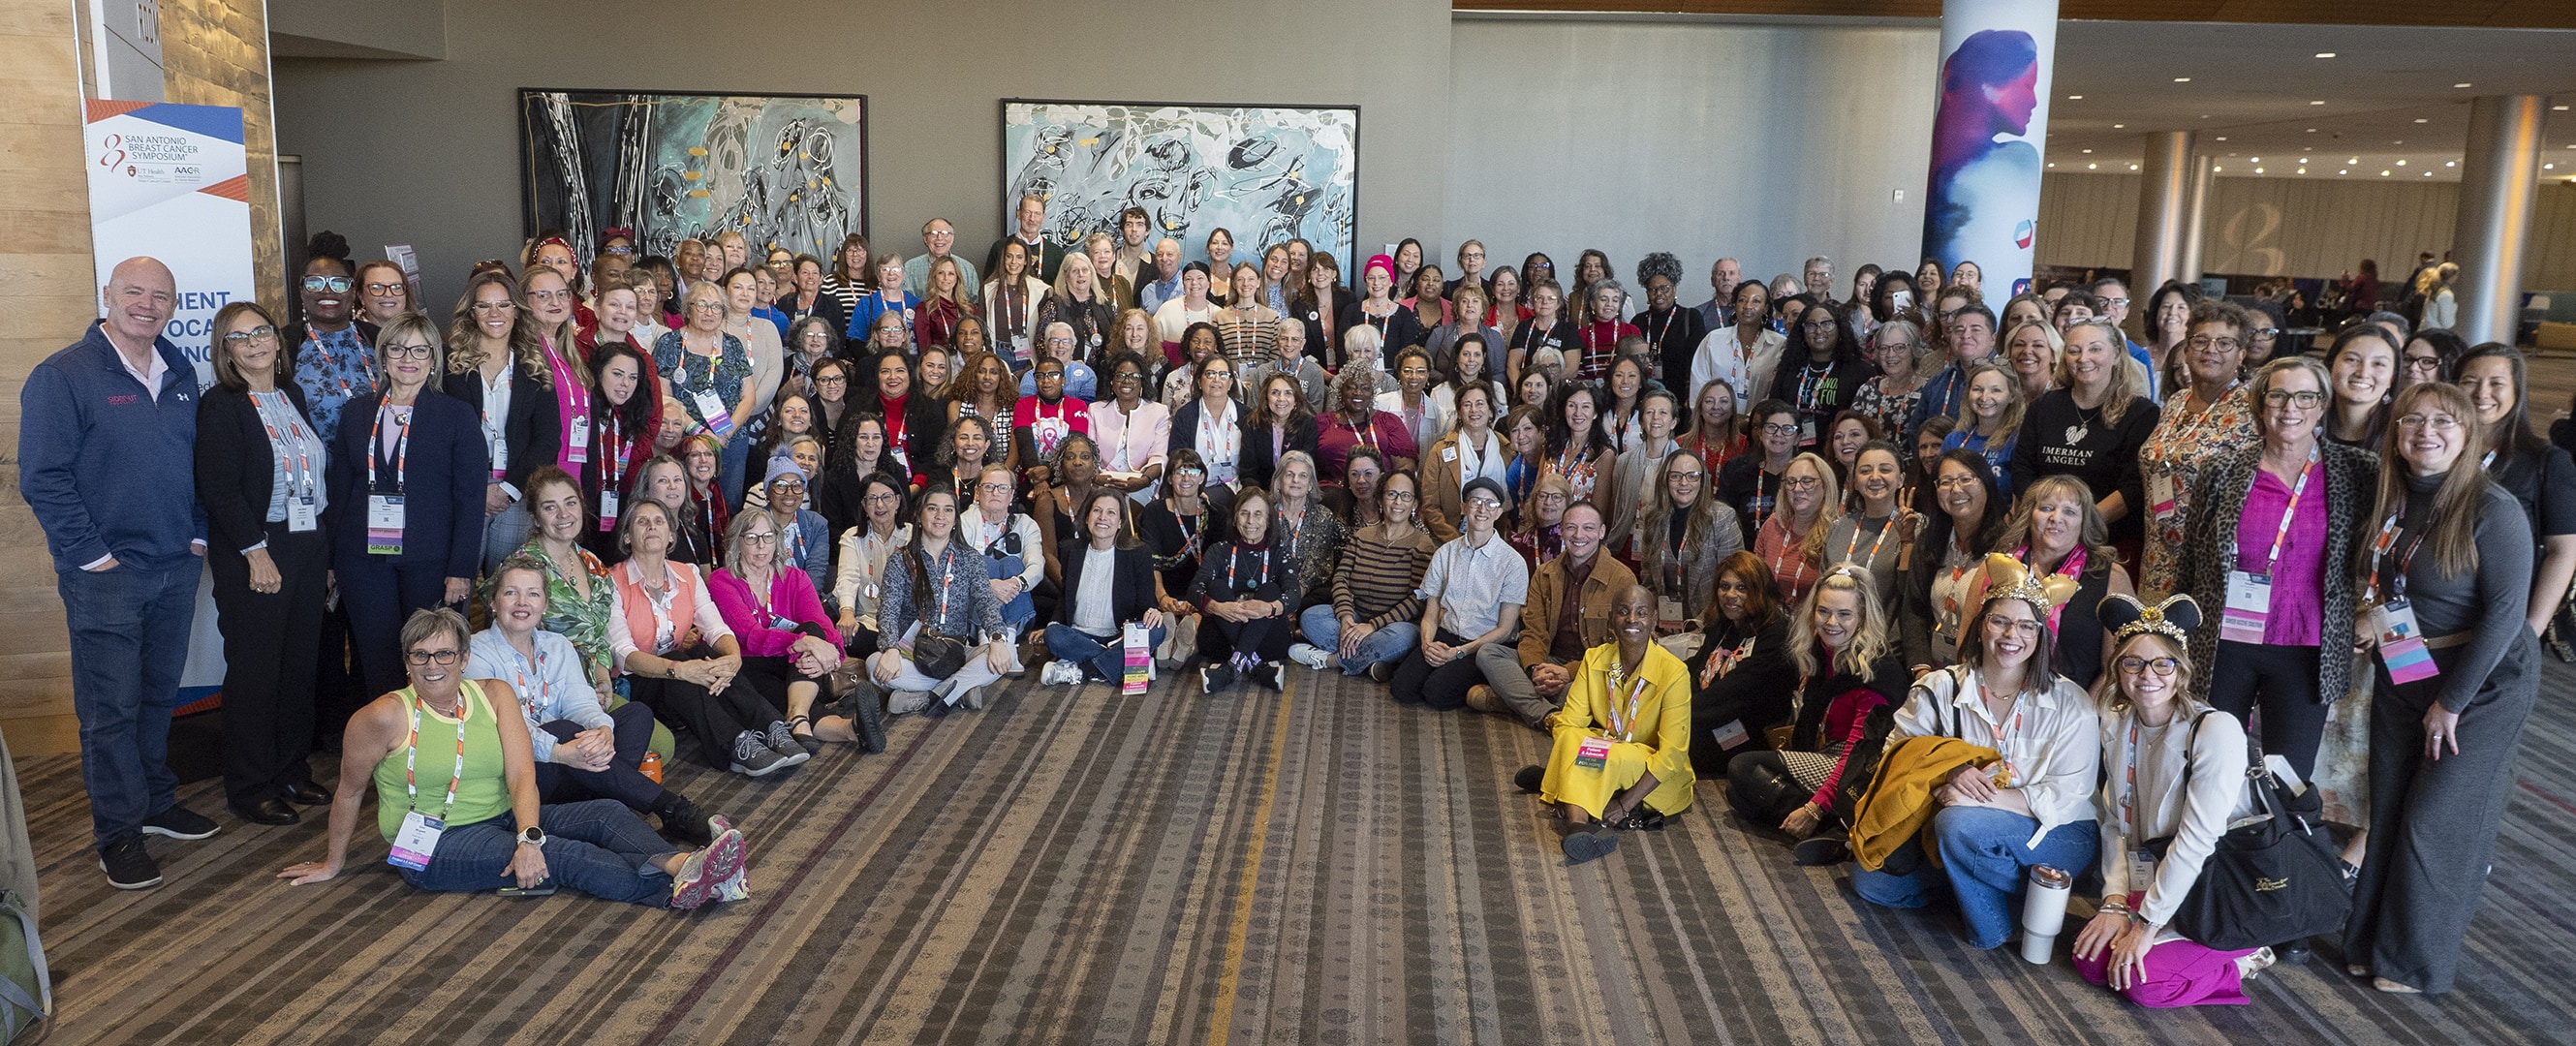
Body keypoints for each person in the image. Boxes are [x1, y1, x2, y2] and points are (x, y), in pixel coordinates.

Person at [280, 607, 747, 908]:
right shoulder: (380, 717)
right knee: (562, 855)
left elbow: (523, 773)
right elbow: (349, 790)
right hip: (432, 846)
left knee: (605, 812)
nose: (432, 665)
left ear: (465, 657)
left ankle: (686, 868)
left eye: (445, 654)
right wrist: (332, 862)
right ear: (406, 661)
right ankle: (680, 885)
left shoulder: (493, 695)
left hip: (499, 815)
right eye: (420, 655)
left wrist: (527, 836)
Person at [2344, 382, 2537, 995]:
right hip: (2405, 663)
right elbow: (2384, 584)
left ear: (2468, 434)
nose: (2426, 432)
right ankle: (2370, 942)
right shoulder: (2393, 495)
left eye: (2443, 423)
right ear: (2395, 434)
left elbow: (2508, 615)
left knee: (2435, 818)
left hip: (2481, 683)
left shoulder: (2493, 507)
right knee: (2391, 803)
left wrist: (2450, 704)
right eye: (2412, 422)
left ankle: (2412, 961)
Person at [1856, 554, 2101, 949]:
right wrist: (1948, 773)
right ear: (1981, 625)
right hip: (1964, 829)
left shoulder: (2071, 702)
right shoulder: (1939, 687)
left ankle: (1991, 927)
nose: (2011, 635)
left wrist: (1981, 801)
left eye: (2026, 626)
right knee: (1873, 884)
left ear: (2040, 636)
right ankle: (1978, 883)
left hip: (2059, 831)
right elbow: (1895, 752)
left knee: (1958, 824)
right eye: (2000, 621)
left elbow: (2070, 795)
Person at [2174, 356, 2373, 831]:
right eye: (2278, 395)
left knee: (2288, 778)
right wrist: (2175, 628)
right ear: (2260, 404)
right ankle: (2206, 873)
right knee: (2210, 765)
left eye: (2305, 396)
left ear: (2323, 405)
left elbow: (2384, 545)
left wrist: (2372, 611)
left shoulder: (2357, 472)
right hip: (2227, 644)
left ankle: (2273, 875)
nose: (2290, 407)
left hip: (2306, 649)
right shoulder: (2223, 469)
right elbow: (2194, 557)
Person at [2071, 594, 2280, 1005]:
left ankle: (2241, 958)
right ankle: (2162, 935)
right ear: (2118, 669)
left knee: (2147, 987)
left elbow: (2197, 842)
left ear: (2179, 670)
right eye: (2133, 662)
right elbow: (2114, 819)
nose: (2147, 675)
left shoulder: (2214, 729)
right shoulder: (2117, 719)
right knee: (2090, 960)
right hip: (2157, 876)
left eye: (2162, 663)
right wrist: (2114, 902)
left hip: (2220, 889)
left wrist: (2146, 926)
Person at [470, 555, 718, 844]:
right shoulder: (477, 653)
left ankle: (605, 802)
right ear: (493, 602)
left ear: (545, 605)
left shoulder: (557, 646)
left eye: (533, 593)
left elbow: (581, 702)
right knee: (563, 730)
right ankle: (671, 807)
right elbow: (507, 730)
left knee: (636, 715)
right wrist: (561, 752)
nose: (522, 602)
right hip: (521, 771)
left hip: (575, 761)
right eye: (511, 593)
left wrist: (603, 730)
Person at [196, 302, 331, 827]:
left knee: (298, 668)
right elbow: (220, 490)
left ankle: (290, 770)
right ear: (225, 351)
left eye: (260, 332)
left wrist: (325, 554)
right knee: (256, 673)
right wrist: (256, 551)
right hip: (256, 550)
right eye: (237, 337)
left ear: (278, 340)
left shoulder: (291, 394)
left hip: (306, 542)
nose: (252, 343)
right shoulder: (221, 406)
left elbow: (312, 477)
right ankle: (250, 787)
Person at [322, 306, 487, 703]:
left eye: (419, 351)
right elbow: (340, 488)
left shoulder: (457, 415)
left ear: (434, 359)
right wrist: (329, 560)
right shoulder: (358, 412)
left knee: (431, 658)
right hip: (362, 559)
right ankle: (389, 748)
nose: (407, 360)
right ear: (382, 357)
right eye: (397, 350)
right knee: (377, 658)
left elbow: (470, 499)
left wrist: (461, 570)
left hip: (431, 561)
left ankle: (431, 743)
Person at [606, 499, 805, 777]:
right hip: (636, 686)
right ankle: (734, 744)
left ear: (671, 535)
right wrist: (681, 670)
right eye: (642, 522)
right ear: (627, 536)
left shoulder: (687, 573)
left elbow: (717, 629)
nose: (652, 527)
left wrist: (732, 659)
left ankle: (771, 726)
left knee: (706, 654)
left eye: (659, 521)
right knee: (680, 658)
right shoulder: (611, 581)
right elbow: (623, 654)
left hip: (682, 681)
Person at [1727, 564, 1909, 865]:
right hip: (1826, 754)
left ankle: (1834, 825)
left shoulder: (1878, 671)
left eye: (1844, 614)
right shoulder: (1822, 652)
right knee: (1739, 794)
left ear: (1862, 618)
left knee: (1743, 768)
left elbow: (1856, 754)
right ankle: (1836, 830)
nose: (1831, 622)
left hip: (1858, 769)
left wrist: (1815, 807)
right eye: (1823, 611)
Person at [1535, 584, 1694, 864]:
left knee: (1597, 752)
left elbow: (1672, 756)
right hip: (1609, 747)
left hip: (1653, 770)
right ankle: (1578, 826)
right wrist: (1578, 744)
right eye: (1623, 612)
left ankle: (1565, 788)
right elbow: (1569, 723)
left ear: (1654, 620)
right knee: (1573, 738)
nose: (1632, 619)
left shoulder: (1675, 672)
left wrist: (1624, 804)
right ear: (1611, 619)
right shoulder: (1595, 659)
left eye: (1641, 613)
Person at [708, 509, 857, 755]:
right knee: (780, 689)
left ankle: (803, 719)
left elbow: (823, 627)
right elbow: (750, 636)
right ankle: (846, 729)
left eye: (768, 537)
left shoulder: (795, 578)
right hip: (747, 665)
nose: (761, 545)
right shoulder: (722, 580)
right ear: (737, 542)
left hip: (789, 661)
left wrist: (832, 655)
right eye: (752, 538)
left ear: (777, 541)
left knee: (813, 630)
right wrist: (804, 643)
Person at [1475, 499, 1634, 727]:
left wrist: (1567, 673)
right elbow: (1533, 632)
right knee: (1488, 653)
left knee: (1603, 693)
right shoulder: (1545, 574)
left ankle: (1514, 700)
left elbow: (1620, 649)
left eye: (1588, 528)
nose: (1579, 535)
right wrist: (1535, 669)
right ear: (1561, 531)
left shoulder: (1622, 579)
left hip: (1593, 671)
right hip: (1550, 660)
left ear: (1601, 532)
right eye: (1571, 527)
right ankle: (1547, 715)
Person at [2455, 343, 2576, 637]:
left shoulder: (2546, 461)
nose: (2482, 393)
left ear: (2517, 391)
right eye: (2469, 381)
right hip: (2432, 617)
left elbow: (2563, 552)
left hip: (2501, 625)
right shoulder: (2436, 452)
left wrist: (2529, 631)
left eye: (2496, 383)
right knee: (2411, 682)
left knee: (2479, 684)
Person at [445, 271, 563, 573]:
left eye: (503, 305)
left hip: (516, 489)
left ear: (516, 310)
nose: (494, 314)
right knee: (457, 583)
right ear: (472, 313)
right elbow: (440, 439)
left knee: (508, 585)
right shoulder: (450, 367)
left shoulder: (534, 365)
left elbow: (549, 438)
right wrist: (475, 490)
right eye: (484, 306)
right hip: (465, 489)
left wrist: (509, 488)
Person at [2140, 302, 2257, 600]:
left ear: (2241, 354)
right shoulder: (2176, 402)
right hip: (2156, 555)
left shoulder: (2253, 410)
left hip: (2210, 563)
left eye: (2225, 343)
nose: (2210, 350)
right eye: (2201, 341)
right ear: (2187, 350)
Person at [2010, 320, 2157, 554]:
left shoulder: (2142, 413)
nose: (2083, 358)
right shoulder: (2043, 407)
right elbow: (2022, 470)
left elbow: (2134, 487)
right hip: (2045, 539)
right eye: (2074, 350)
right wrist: (2047, 522)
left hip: (2107, 542)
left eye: (2095, 349)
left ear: (2117, 354)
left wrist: (2078, 526)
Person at [1391, 478, 1530, 710]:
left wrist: (1458, 653)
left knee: (1437, 694)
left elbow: (1505, 629)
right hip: (1446, 635)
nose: (1482, 509)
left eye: (1490, 504)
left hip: (1484, 646)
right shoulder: (1445, 553)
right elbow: (1431, 612)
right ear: (1464, 508)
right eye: (1475, 501)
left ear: (1498, 512)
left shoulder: (1513, 563)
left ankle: (1491, 684)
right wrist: (1427, 644)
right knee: (1402, 689)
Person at [870, 486, 1011, 713]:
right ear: (919, 515)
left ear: (955, 519)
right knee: (873, 665)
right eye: (933, 508)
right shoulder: (900, 560)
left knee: (1006, 654)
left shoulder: (970, 558)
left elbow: (986, 603)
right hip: (913, 652)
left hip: (956, 651)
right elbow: (888, 610)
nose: (940, 517)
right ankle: (960, 690)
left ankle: (928, 697)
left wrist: (996, 638)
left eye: (948, 510)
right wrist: (890, 649)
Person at [1292, 470, 1435, 678]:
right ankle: (1371, 662)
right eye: (1391, 494)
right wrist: (1347, 618)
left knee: (1406, 637)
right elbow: (1340, 578)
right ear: (1380, 499)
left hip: (1392, 626)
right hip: (1356, 615)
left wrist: (1373, 626)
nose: (1398, 502)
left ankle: (1331, 660)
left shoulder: (1423, 544)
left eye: (1406, 496)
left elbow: (1417, 599)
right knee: (1311, 617)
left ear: (1414, 505)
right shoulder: (1361, 536)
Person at [1682, 553, 1797, 778]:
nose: (1730, 595)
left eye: (1741, 588)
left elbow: (1733, 695)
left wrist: (1675, 712)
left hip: (1746, 738)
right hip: (1708, 719)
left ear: (1759, 591)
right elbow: (1696, 669)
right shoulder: (1724, 624)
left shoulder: (1776, 636)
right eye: (1724, 586)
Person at [1040, 490, 1169, 686]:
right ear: (1087, 518)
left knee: (1157, 629)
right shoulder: (1070, 550)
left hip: (1120, 634)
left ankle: (1082, 671)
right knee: (1053, 635)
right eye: (1097, 511)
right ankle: (1129, 663)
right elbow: (1065, 597)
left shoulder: (1138, 553)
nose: (1102, 518)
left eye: (1111, 513)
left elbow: (1146, 603)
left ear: (1120, 523)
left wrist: (1153, 612)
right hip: (1080, 634)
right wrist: (1054, 623)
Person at [1902, 450, 2006, 671]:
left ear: (1986, 483)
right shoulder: (1930, 540)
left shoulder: (2006, 548)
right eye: (1946, 482)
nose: (1956, 489)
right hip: (1933, 668)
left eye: (1966, 479)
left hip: (1983, 669)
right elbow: (1914, 609)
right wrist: (1922, 671)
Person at [1190, 486, 1299, 692]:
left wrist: (1269, 609)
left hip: (1269, 640)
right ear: (1234, 518)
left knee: (1271, 590)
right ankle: (1256, 666)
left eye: (1258, 514)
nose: (1250, 521)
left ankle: (1232, 668)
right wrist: (1217, 608)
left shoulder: (1280, 553)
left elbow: (1294, 595)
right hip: (1220, 640)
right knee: (1216, 587)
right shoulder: (1219, 550)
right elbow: (1195, 588)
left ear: (1268, 521)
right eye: (1244, 513)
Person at [1636, 449, 1746, 632]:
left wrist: (1702, 625)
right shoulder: (1652, 517)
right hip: (1665, 627)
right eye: (1676, 476)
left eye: (1692, 476)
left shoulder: (1722, 518)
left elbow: (1733, 582)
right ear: (1665, 480)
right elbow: (1648, 576)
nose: (1684, 483)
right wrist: (1656, 616)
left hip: (1712, 624)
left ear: (1702, 481)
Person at [960, 463, 1047, 660]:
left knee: (1012, 564)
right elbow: (959, 568)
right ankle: (986, 639)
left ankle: (1008, 643)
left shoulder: (1025, 524)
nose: (995, 493)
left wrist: (1016, 583)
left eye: (1002, 488)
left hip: (1015, 606)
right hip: (973, 613)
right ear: (977, 492)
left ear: (1011, 495)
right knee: (984, 563)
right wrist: (988, 586)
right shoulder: (964, 522)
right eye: (988, 487)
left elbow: (1037, 566)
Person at [1821, 442, 1920, 611]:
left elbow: (1913, 594)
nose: (1875, 477)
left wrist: (1907, 542)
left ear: (1901, 479)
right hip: (1837, 632)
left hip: (1887, 635)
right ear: (1855, 481)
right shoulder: (1839, 527)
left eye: (1885, 470)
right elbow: (1822, 587)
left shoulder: (1915, 526)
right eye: (1865, 471)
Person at [1421, 384, 1513, 544]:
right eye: (1467, 405)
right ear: (1458, 413)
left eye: (1479, 403)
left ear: (1490, 411)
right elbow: (1430, 506)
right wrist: (1455, 541)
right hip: (1449, 539)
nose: (1473, 410)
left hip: (1495, 541)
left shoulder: (1506, 450)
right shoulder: (1440, 451)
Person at [1753, 452, 1838, 607]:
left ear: (1826, 486)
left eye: (1807, 481)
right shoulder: (1773, 525)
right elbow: (1755, 577)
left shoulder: (1836, 533)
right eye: (1791, 482)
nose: (1797, 489)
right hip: (1770, 621)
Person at [1600, 386, 1680, 553]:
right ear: (1642, 421)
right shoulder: (1624, 461)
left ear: (1673, 422)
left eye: (1663, 413)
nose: (1656, 417)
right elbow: (1615, 507)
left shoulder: (1683, 463)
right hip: (1626, 542)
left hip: (1666, 545)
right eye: (1650, 412)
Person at [1717, 399, 1800, 548]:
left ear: (1797, 438)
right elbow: (1726, 522)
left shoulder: (1806, 479)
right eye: (1771, 427)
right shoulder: (1741, 476)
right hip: (1747, 557)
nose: (1778, 434)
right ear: (1760, 434)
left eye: (1787, 429)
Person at [1316, 363, 1415, 485]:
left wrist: (1387, 489)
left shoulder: (1388, 421)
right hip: (1335, 495)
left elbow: (1405, 465)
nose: (1358, 392)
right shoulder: (1322, 423)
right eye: (1351, 387)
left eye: (1365, 388)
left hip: (1382, 493)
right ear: (1341, 390)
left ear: (1372, 393)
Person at [866, 348, 948, 485]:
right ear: (877, 376)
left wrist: (914, 489)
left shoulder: (929, 410)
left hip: (917, 489)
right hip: (869, 487)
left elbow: (933, 458)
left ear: (910, 374)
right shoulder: (861, 407)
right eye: (885, 371)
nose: (893, 377)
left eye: (900, 370)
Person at [1168, 352, 1245, 493]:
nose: (1217, 379)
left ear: (1231, 383)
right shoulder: (1186, 416)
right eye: (1210, 374)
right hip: (1196, 489)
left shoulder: (1245, 415)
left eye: (1223, 375)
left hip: (1238, 490)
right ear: (1199, 382)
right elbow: (1177, 459)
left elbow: (1252, 466)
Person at [1942, 362, 2024, 494]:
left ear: (2012, 396)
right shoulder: (1954, 440)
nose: (1984, 397)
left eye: (1995, 390)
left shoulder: (2019, 440)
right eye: (1977, 389)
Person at [1850, 320, 1928, 446]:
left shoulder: (1929, 390)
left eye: (1899, 347)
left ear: (1913, 350)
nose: (1890, 354)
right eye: (1884, 348)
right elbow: (1852, 432)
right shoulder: (1868, 390)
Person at [2323, 324, 2397, 449]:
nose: (2363, 373)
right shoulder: (2303, 424)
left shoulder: (2401, 436)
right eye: (2352, 360)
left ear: (2392, 378)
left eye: (2378, 364)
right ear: (2331, 366)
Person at [983, 241, 1049, 373]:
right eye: (1009, 256)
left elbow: (1044, 329)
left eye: (1019, 257)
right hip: (998, 353)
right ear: (1003, 259)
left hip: (1028, 355)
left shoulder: (1041, 289)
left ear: (1026, 261)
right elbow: (982, 326)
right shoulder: (989, 289)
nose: (1014, 262)